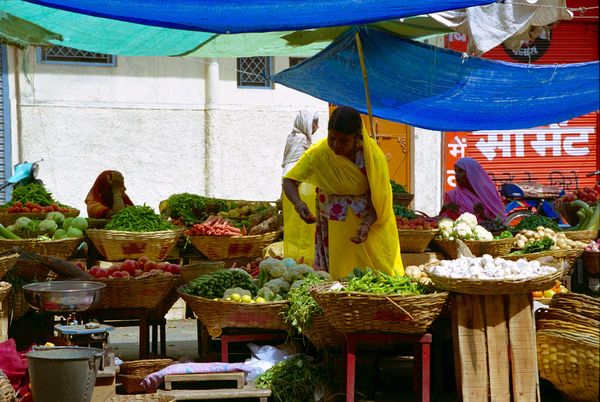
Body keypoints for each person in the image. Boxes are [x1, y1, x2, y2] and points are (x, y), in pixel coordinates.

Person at [283, 106, 403, 279]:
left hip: (369, 228)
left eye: (344, 141)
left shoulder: (372, 157)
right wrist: (298, 204)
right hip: (332, 230)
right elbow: (289, 181)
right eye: (332, 138)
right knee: (338, 281)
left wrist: (366, 225)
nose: (336, 145)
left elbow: (381, 197)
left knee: (377, 278)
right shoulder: (320, 152)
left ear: (356, 137)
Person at [282, 110, 319, 265]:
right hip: (299, 187)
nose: (317, 126)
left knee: (295, 227)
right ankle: (304, 260)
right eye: (314, 122)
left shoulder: (293, 137)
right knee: (302, 227)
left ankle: (295, 259)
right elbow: (299, 167)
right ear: (306, 122)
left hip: (291, 187)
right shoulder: (301, 140)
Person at [439, 157, 505, 222]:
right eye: (456, 172)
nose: (456, 175)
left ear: (472, 173)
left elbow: (500, 223)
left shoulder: (488, 194)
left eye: (460, 171)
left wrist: (483, 215)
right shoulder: (452, 196)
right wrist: (445, 207)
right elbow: (441, 221)